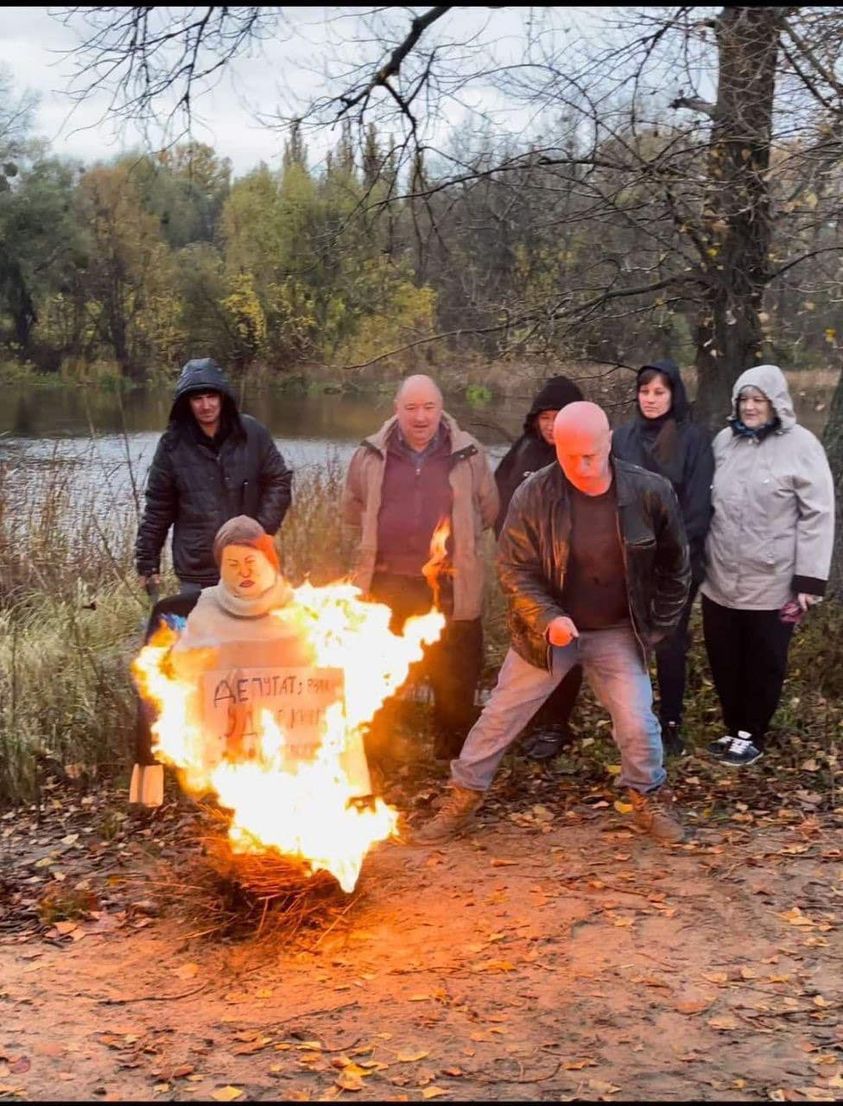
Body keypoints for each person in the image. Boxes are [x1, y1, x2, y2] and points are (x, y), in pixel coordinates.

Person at [413, 400, 691, 846]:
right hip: (549, 632)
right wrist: (548, 617)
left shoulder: (649, 492)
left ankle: (648, 796)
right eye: (570, 454)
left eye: (591, 454)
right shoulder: (534, 493)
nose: (582, 465)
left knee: (638, 721)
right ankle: (462, 796)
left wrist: (656, 627)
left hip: (617, 629)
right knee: (501, 714)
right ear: (555, 446)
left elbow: (676, 567)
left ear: (608, 443)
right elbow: (513, 569)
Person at [342, 373, 499, 760]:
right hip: (387, 585)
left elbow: (488, 510)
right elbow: (351, 511)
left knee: (454, 678)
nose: (420, 417)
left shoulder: (470, 454)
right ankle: (379, 758)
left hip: (450, 586)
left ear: (441, 409)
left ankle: (452, 761)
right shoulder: (369, 455)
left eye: (428, 407)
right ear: (396, 410)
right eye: (411, 408)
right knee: (379, 677)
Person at [701, 364, 834, 768]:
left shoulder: (801, 445)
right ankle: (732, 728)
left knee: (764, 660)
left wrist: (808, 580)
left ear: (776, 403)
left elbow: (818, 513)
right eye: (745, 399)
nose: (751, 407)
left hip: (772, 582)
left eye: (759, 400)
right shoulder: (724, 442)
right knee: (724, 657)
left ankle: (751, 733)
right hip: (720, 576)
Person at [611, 359, 714, 757]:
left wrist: (672, 555)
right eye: (644, 391)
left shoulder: (693, 438)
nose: (651, 400)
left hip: (676, 561)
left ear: (674, 394)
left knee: (670, 644)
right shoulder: (622, 437)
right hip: (625, 559)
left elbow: (698, 506)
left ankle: (671, 723)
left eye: (659, 392)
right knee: (627, 643)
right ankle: (633, 720)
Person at [135, 357, 293, 599]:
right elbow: (158, 507)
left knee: (252, 631)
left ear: (223, 398)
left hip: (250, 559)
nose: (206, 405)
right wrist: (148, 562)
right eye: (197, 399)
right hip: (198, 567)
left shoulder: (252, 433)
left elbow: (279, 481)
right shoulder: (171, 446)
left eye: (211, 396)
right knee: (204, 632)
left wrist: (261, 530)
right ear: (186, 403)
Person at [494, 375, 586, 761]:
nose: (551, 425)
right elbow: (497, 500)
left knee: (564, 648)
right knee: (527, 647)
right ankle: (530, 719)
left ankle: (555, 725)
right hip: (526, 574)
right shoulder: (523, 451)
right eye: (545, 417)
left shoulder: (584, 455)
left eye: (559, 416)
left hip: (570, 575)